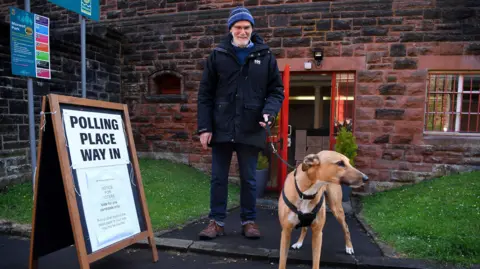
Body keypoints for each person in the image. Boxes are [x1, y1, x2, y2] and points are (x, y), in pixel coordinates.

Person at [196, 6, 284, 240]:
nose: (242, 31)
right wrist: (204, 128)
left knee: (249, 178)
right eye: (238, 27)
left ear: (252, 29)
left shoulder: (265, 56)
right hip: (222, 127)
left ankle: (249, 221)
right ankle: (216, 222)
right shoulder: (217, 55)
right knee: (218, 178)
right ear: (230, 29)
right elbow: (205, 94)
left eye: (246, 27)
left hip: (251, 127)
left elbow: (277, 91)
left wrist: (269, 113)